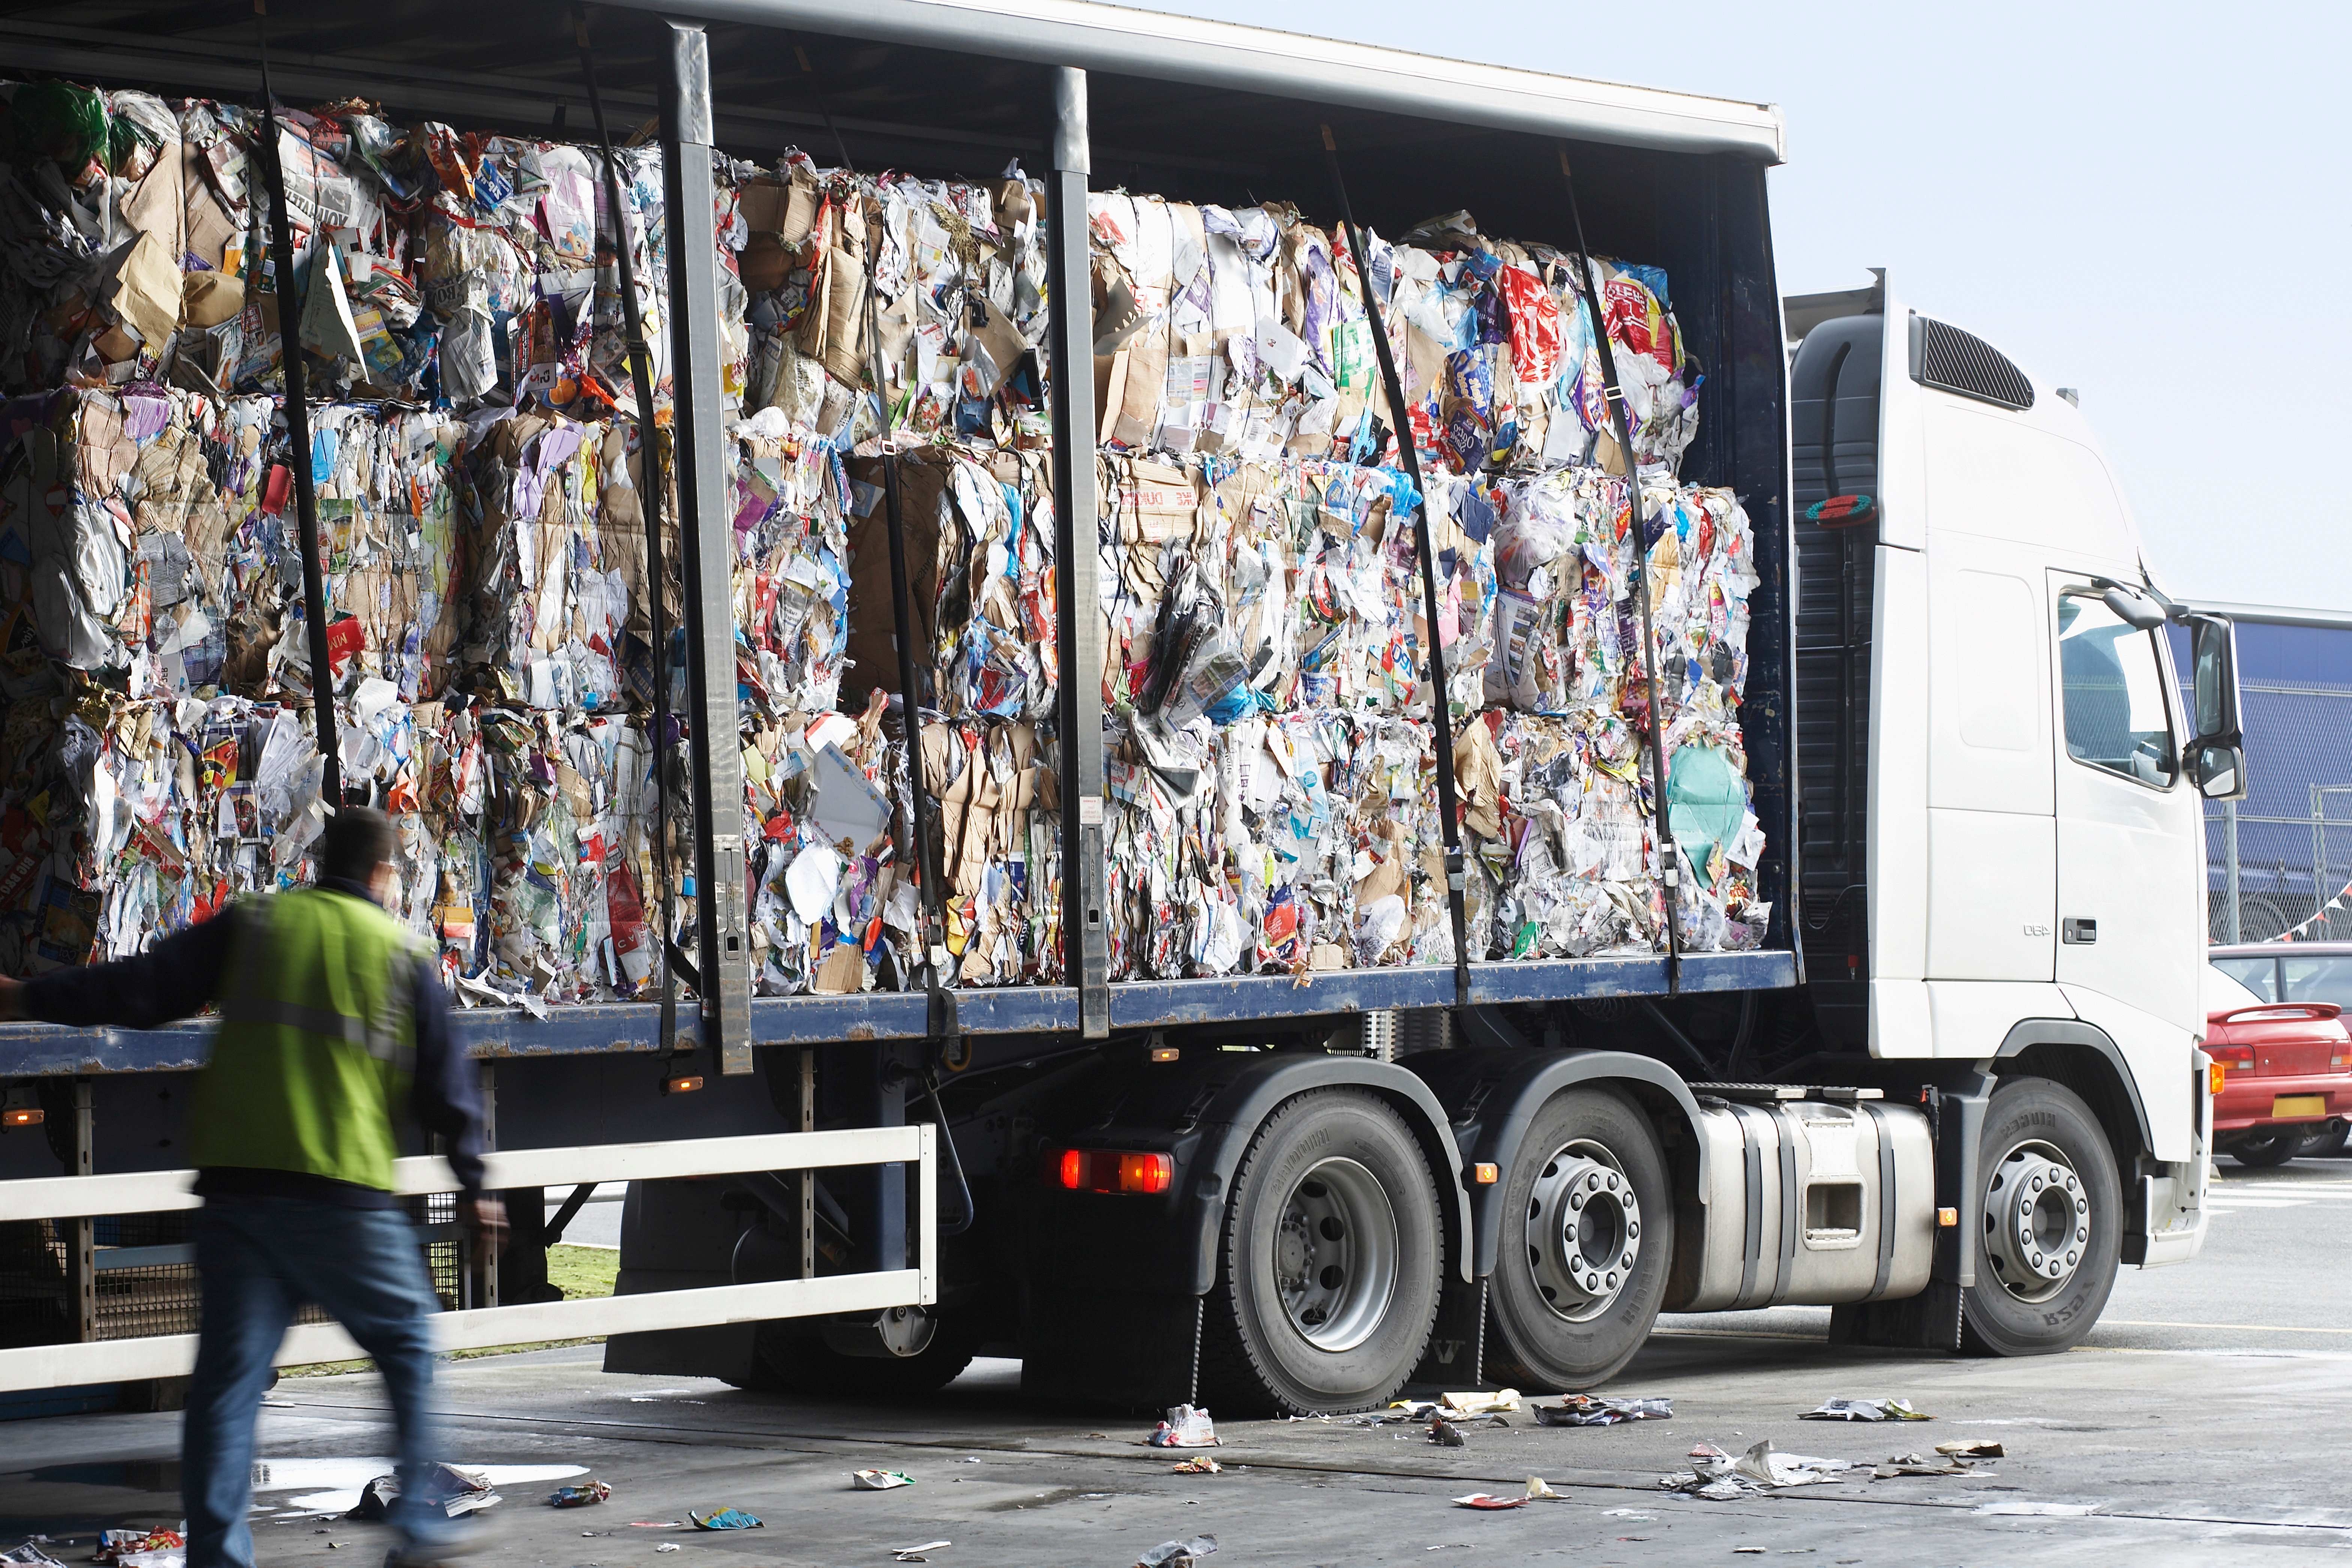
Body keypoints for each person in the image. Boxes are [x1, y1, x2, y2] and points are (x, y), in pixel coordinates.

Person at [0, 807, 505, 1568]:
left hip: (237, 1202)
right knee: (405, 1345)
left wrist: (21, 997)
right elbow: (447, 1087)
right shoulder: (397, 953)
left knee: (227, 1389)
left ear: (319, 862)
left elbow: (142, 989)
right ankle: (424, 1528)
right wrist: (474, 1184)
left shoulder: (260, 926)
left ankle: (218, 1556)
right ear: (382, 875)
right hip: (341, 1197)